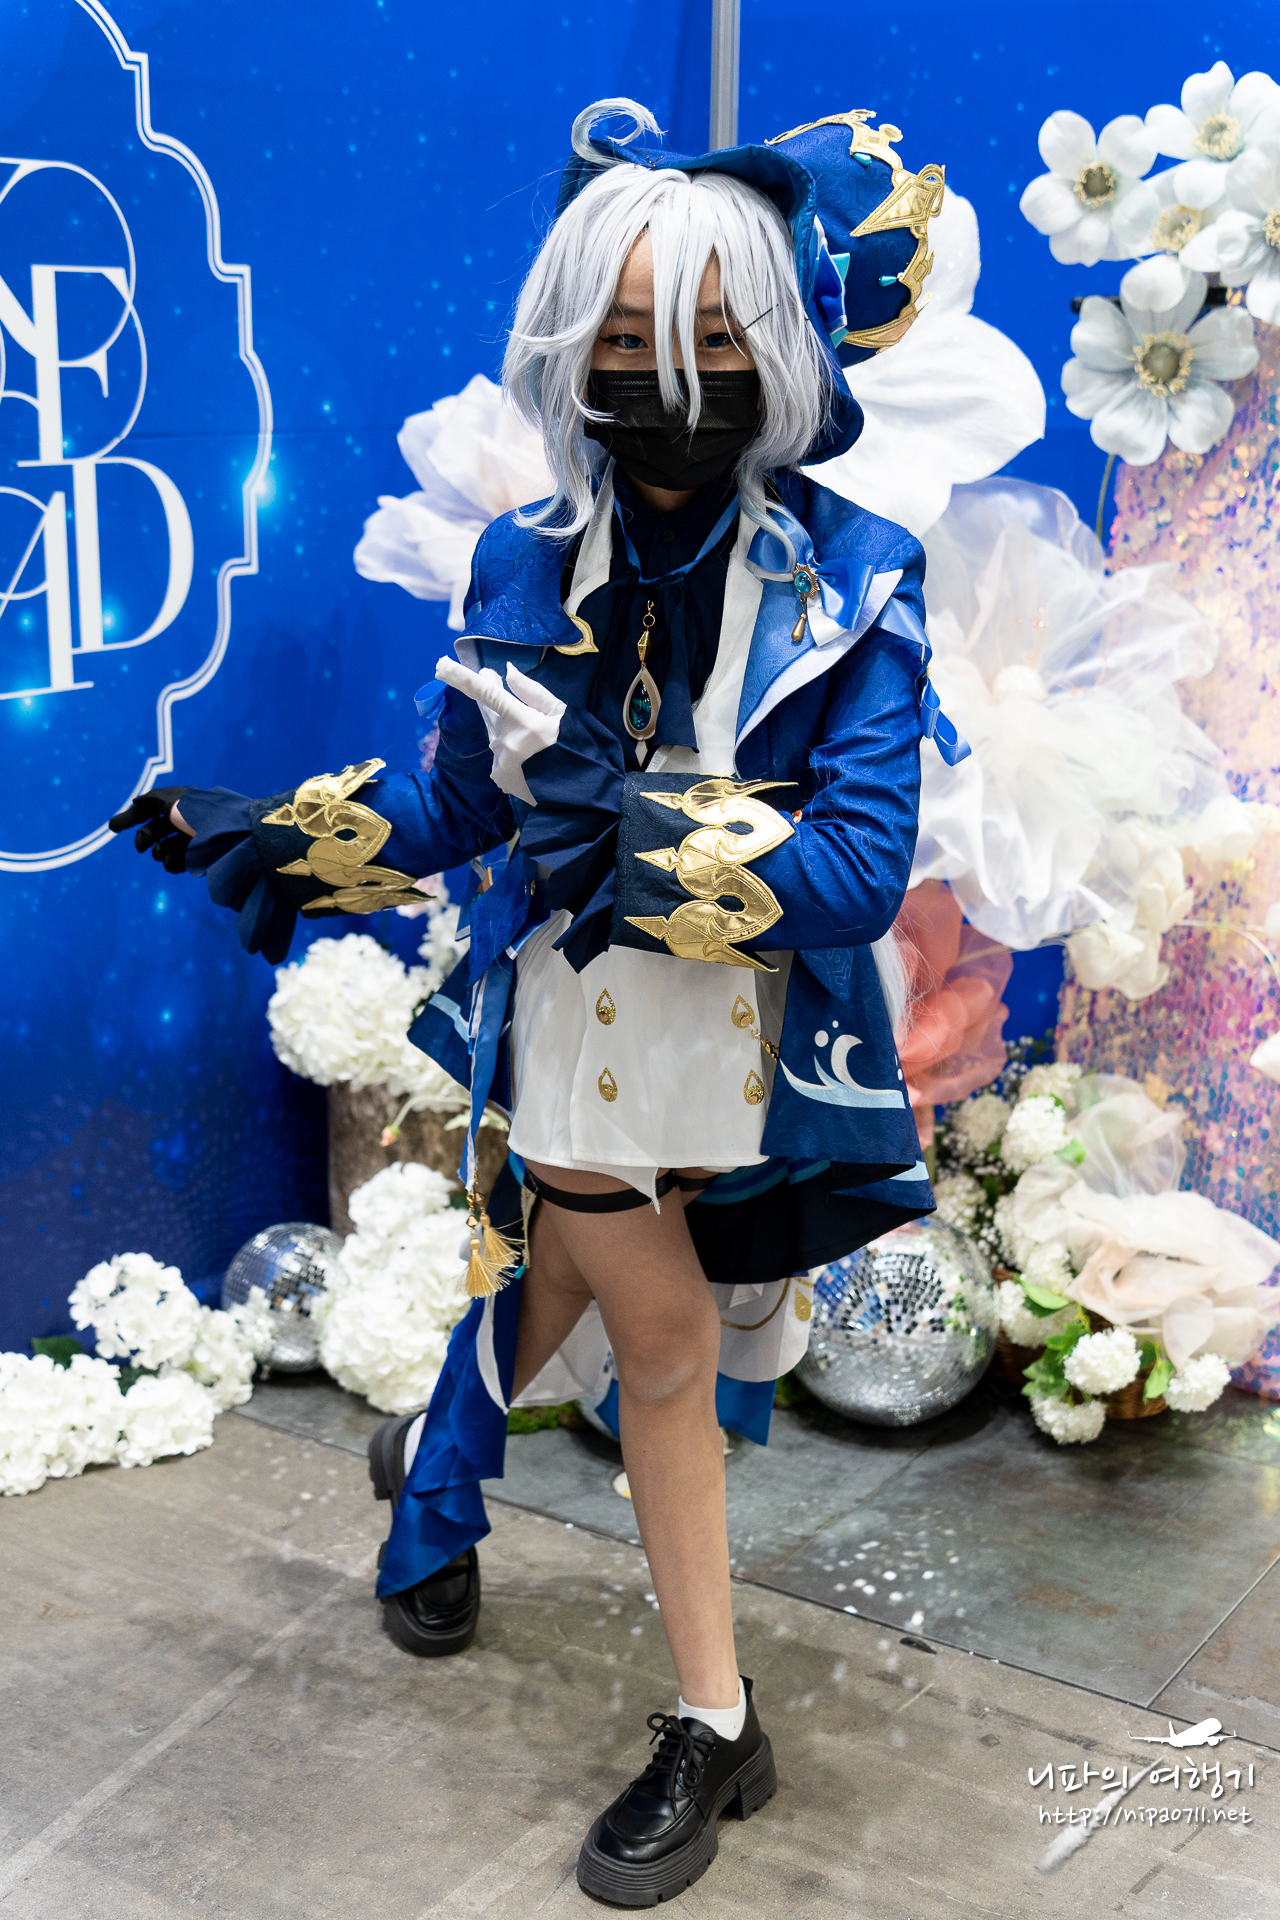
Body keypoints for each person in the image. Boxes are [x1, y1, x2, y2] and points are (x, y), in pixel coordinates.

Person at [111, 98, 959, 1907]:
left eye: (713, 336)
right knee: (663, 1348)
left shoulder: (860, 571)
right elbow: (460, 806)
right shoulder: (523, 558)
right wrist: (288, 836)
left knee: (568, 1271)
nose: (668, 377)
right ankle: (718, 1721)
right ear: (571, 343)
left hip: (763, 1048)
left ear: (784, 347)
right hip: (580, 1024)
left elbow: (859, 870)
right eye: (630, 337)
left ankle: (435, 1469)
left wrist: (624, 820)